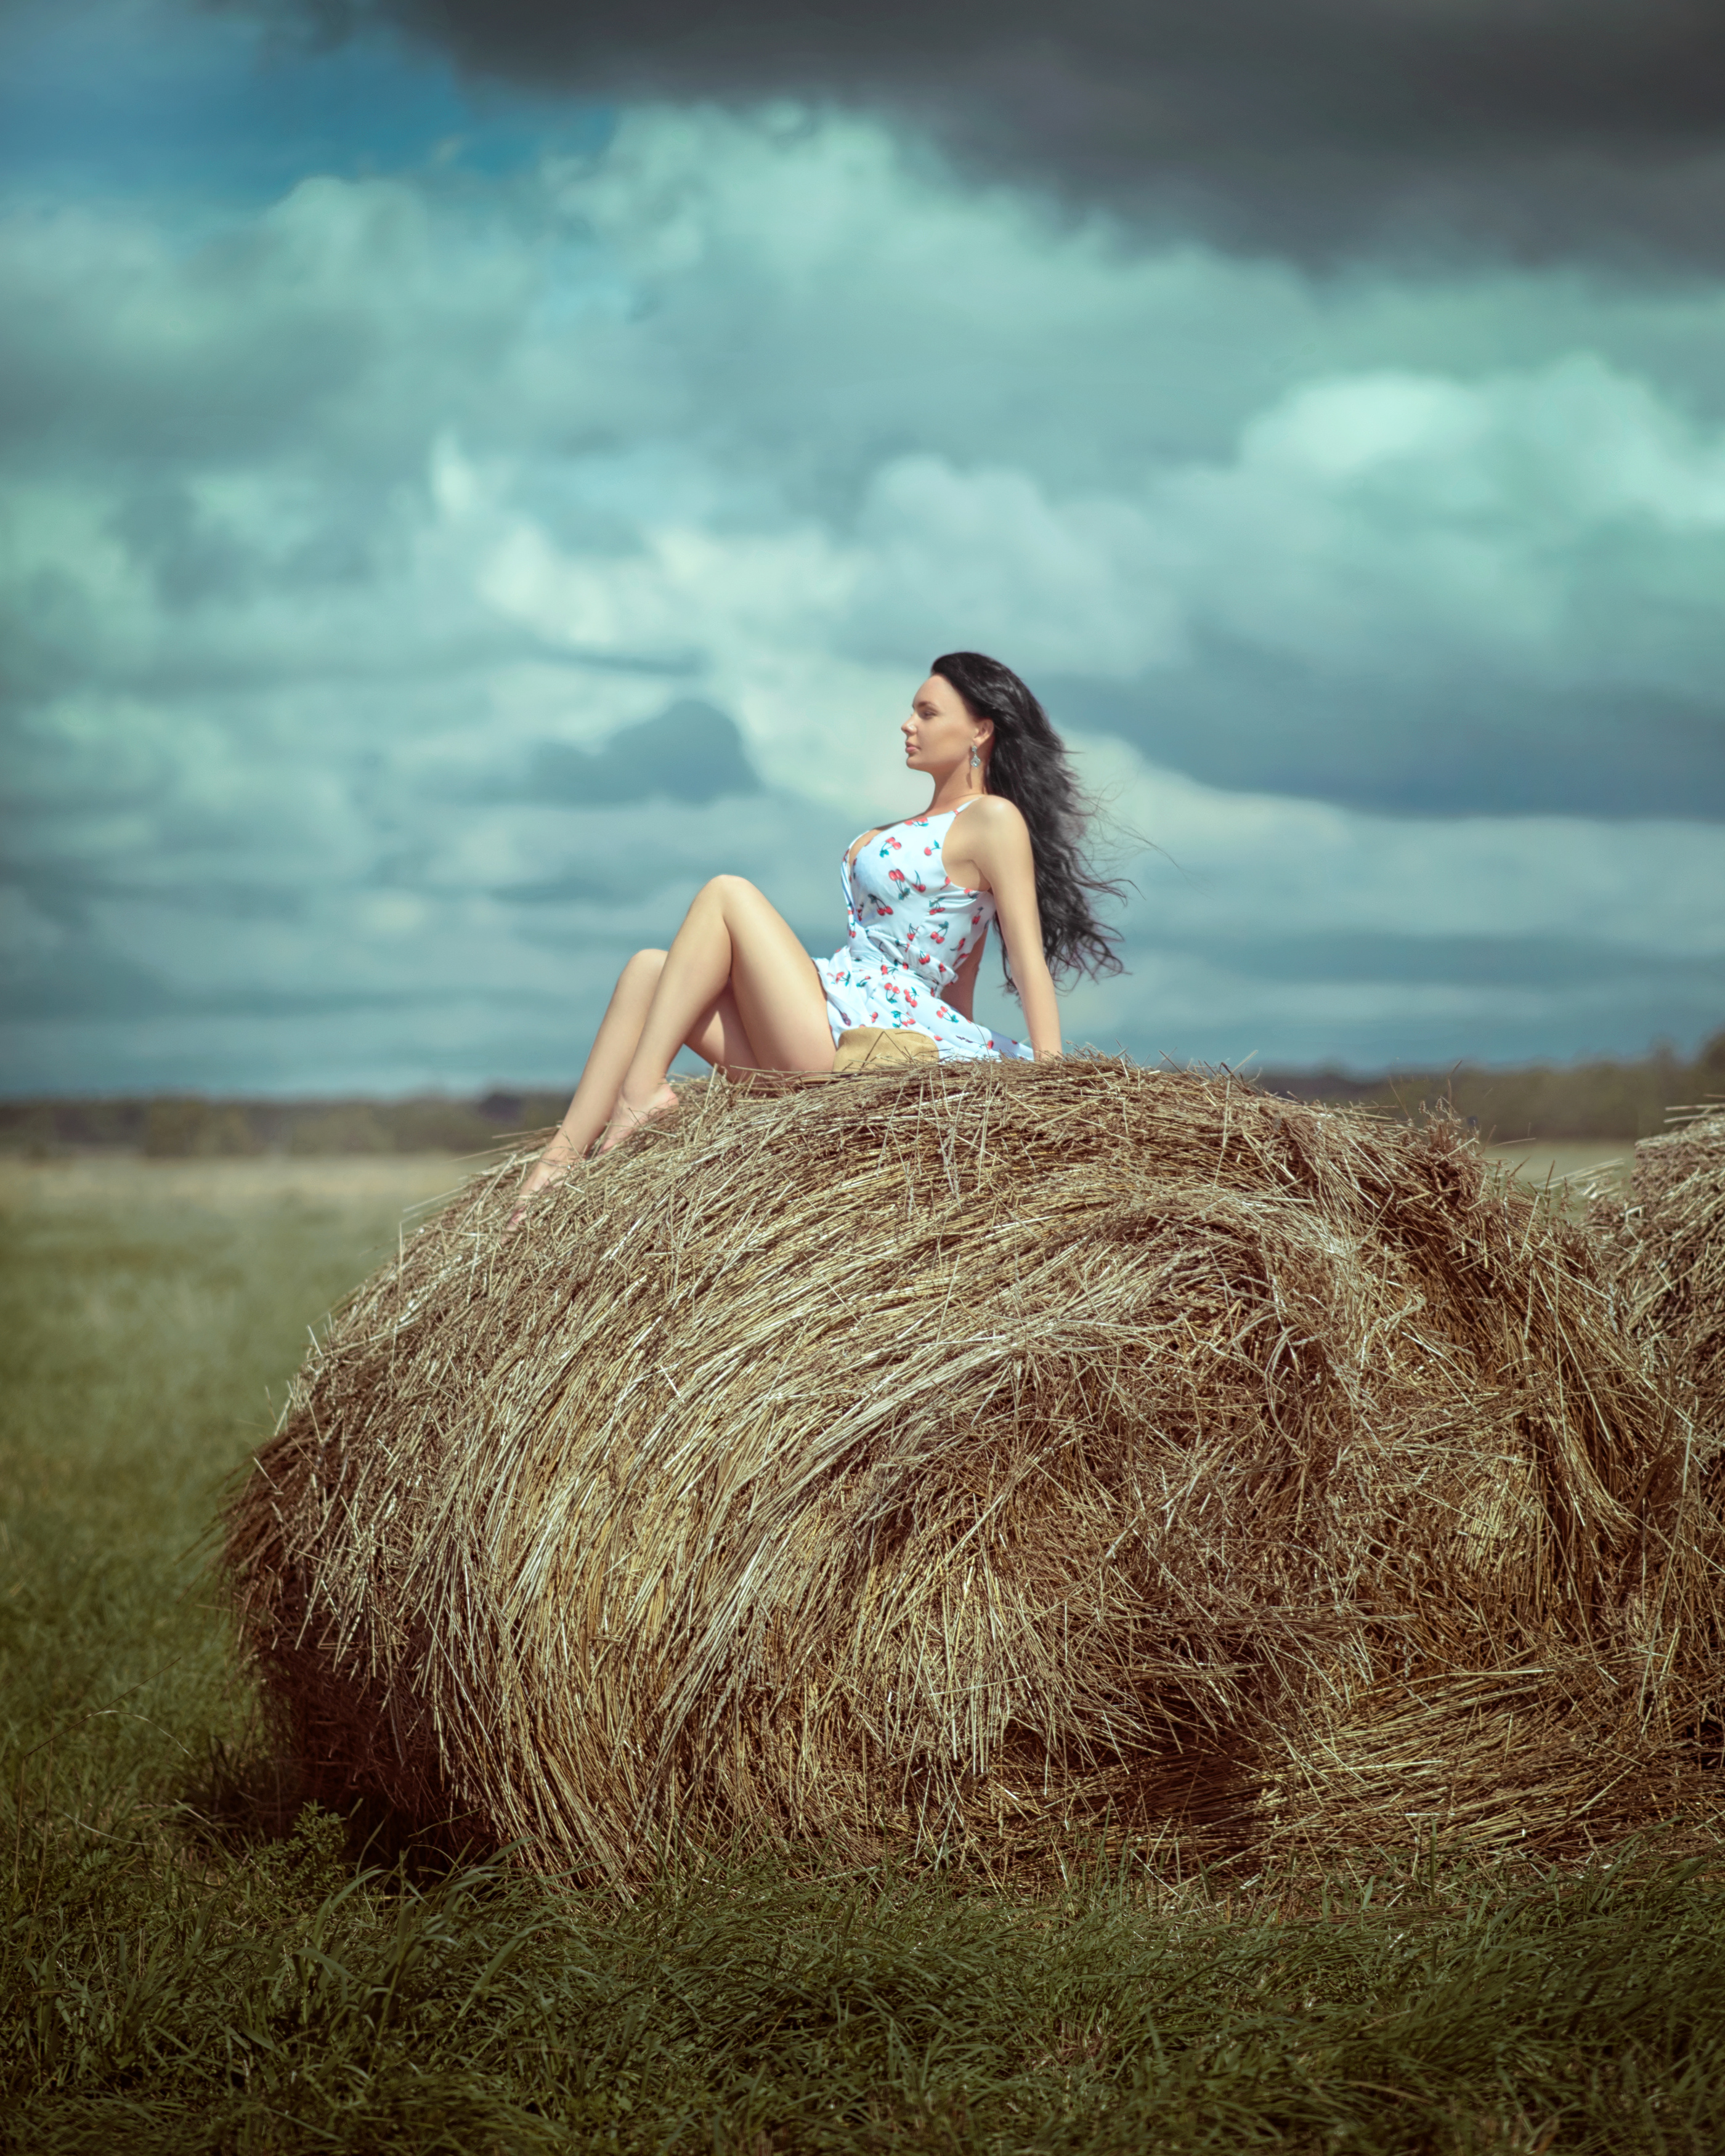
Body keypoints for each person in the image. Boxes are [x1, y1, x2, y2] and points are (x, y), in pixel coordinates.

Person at [512, 650, 1123, 1210]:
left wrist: (1052, 1085)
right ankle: (555, 1167)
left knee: (728, 892)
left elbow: (1025, 957)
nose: (907, 723)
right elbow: (955, 982)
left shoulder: (991, 819)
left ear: (980, 730)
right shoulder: (919, 822)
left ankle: (641, 1092)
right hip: (831, 1008)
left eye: (927, 711)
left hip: (854, 1040)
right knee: (649, 968)